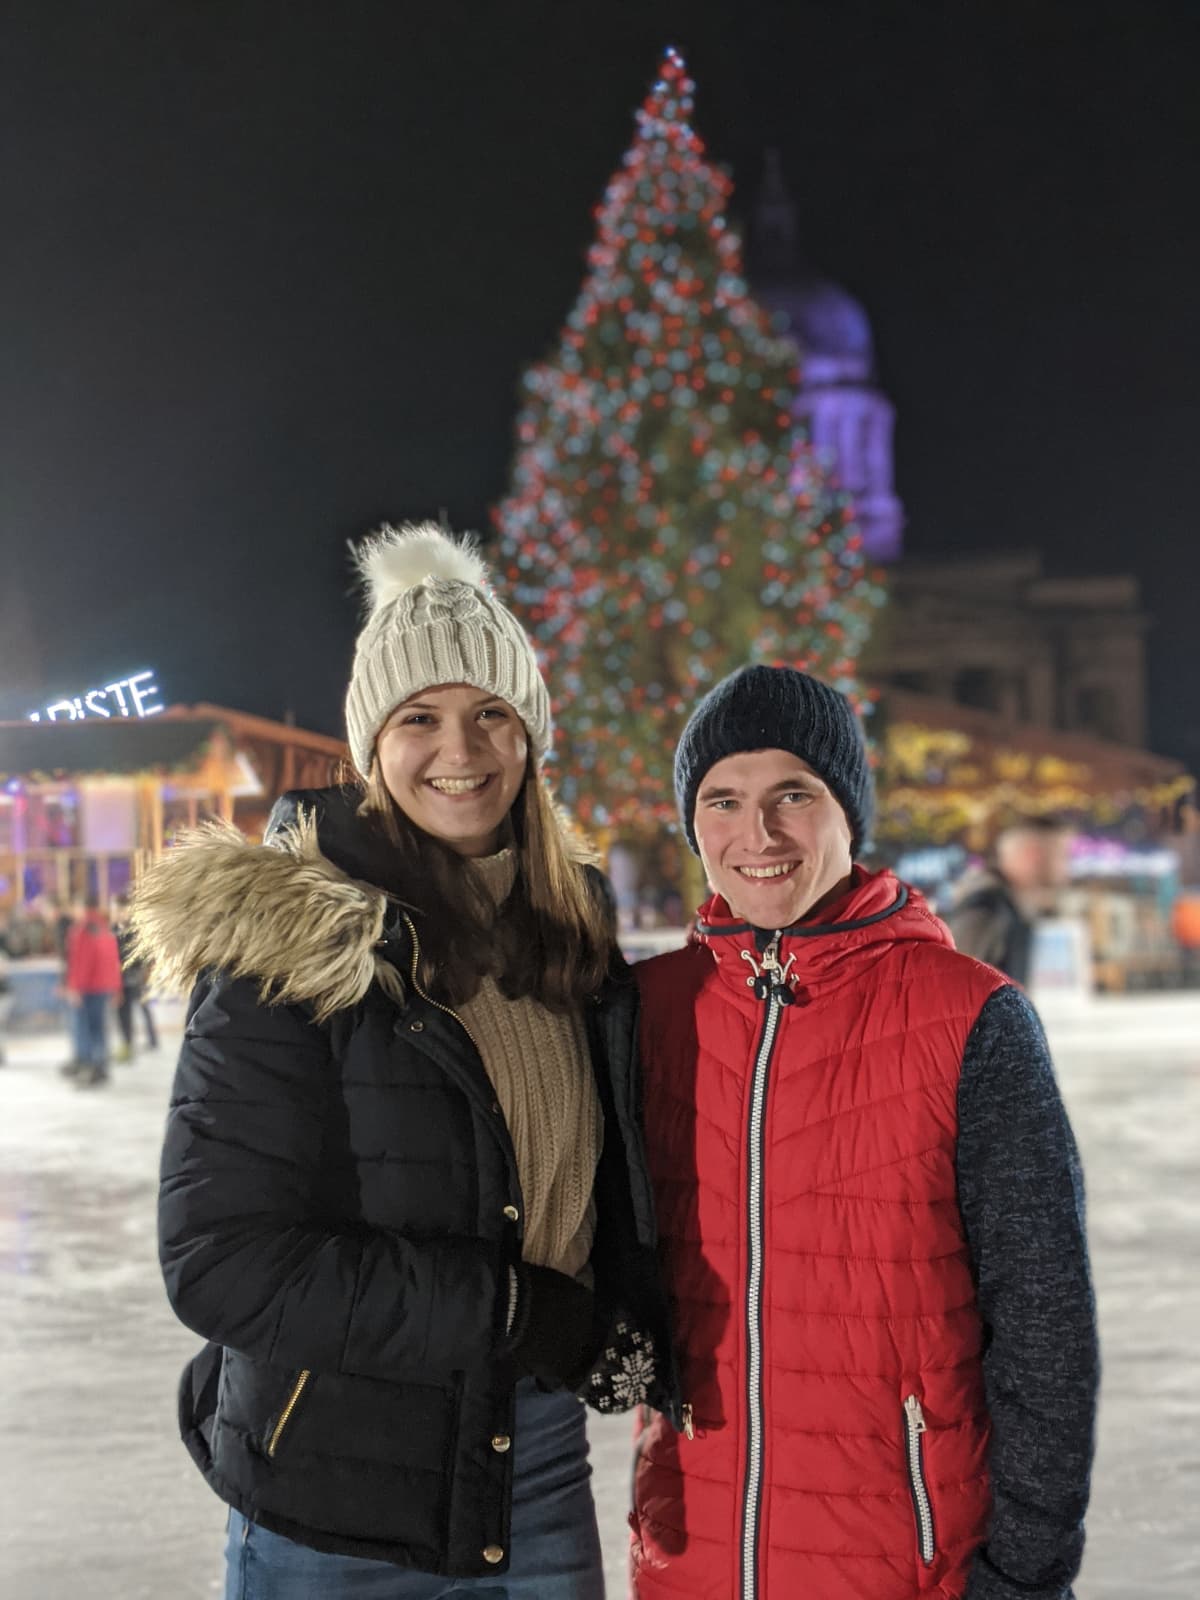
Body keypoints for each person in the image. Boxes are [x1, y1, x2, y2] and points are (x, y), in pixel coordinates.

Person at [130, 523, 678, 1599]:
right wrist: (520, 1311)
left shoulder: (571, 936)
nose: (460, 751)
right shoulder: (294, 943)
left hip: (536, 1466)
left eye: (491, 715)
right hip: (339, 1499)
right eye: (418, 718)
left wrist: (628, 1299)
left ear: (531, 737)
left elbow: (578, 1180)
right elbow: (221, 1257)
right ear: (370, 744)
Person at [631, 665, 1097, 1600]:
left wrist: (1027, 1573)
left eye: (791, 795)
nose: (755, 835)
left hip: (905, 1563)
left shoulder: (971, 1016)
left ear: (849, 812)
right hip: (697, 1560)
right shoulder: (649, 1011)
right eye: (722, 801)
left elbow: (1045, 1325)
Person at [942, 817, 1072, 985]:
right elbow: (953, 987)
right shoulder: (986, 910)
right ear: (1033, 855)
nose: (1067, 867)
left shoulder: (1008, 907)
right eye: (1063, 855)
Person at [63, 894, 123, 1087]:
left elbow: (81, 962)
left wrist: (74, 987)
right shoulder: (104, 928)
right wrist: (116, 987)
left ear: (82, 906)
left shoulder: (81, 930)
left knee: (84, 1028)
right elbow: (113, 960)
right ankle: (100, 1066)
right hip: (103, 987)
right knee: (99, 1028)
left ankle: (88, 1065)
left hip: (87, 988)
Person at [111, 892, 158, 1059]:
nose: (116, 913)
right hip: (120, 977)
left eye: (118, 910)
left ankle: (152, 1039)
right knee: (123, 1011)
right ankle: (127, 1043)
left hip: (137, 976)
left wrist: (146, 971)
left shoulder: (137, 930)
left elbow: (147, 953)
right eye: (114, 910)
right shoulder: (113, 930)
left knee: (143, 1007)